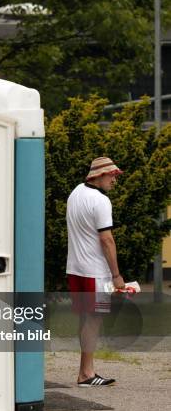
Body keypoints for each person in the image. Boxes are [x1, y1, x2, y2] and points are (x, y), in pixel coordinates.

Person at [66, 157, 125, 387]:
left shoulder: (75, 194)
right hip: (95, 272)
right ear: (98, 175)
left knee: (85, 318)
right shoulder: (100, 201)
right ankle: (86, 374)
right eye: (112, 175)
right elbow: (107, 240)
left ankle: (85, 371)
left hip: (75, 268)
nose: (114, 180)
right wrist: (116, 275)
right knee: (94, 320)